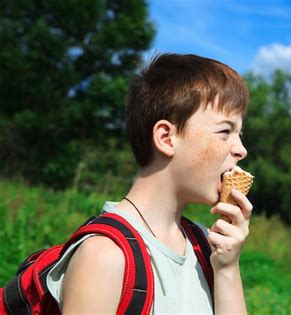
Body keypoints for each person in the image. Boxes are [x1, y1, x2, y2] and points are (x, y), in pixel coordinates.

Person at [46, 53, 253, 314]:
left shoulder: (203, 244)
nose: (241, 150)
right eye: (225, 131)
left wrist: (227, 268)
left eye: (240, 134)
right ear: (166, 138)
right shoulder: (105, 256)